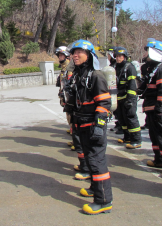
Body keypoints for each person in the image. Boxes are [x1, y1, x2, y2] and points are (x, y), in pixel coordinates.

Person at [64, 39, 113, 215]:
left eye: (79, 52)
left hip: (92, 126)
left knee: (96, 162)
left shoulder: (96, 75)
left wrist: (99, 127)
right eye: (73, 52)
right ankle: (94, 188)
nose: (74, 55)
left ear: (89, 55)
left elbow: (104, 103)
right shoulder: (79, 75)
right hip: (81, 124)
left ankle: (104, 201)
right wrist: (69, 106)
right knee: (90, 161)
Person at [139, 39, 162, 178]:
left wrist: (160, 108)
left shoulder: (161, 69)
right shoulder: (152, 69)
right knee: (155, 137)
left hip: (160, 110)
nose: (146, 55)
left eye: (149, 52)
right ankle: (159, 160)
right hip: (151, 108)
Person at [114, 47, 142, 149]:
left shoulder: (129, 67)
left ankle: (136, 140)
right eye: (117, 56)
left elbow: (132, 84)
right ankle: (127, 137)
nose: (118, 58)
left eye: (120, 56)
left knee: (131, 118)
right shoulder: (115, 67)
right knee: (122, 119)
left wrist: (130, 99)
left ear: (125, 57)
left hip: (128, 97)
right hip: (119, 97)